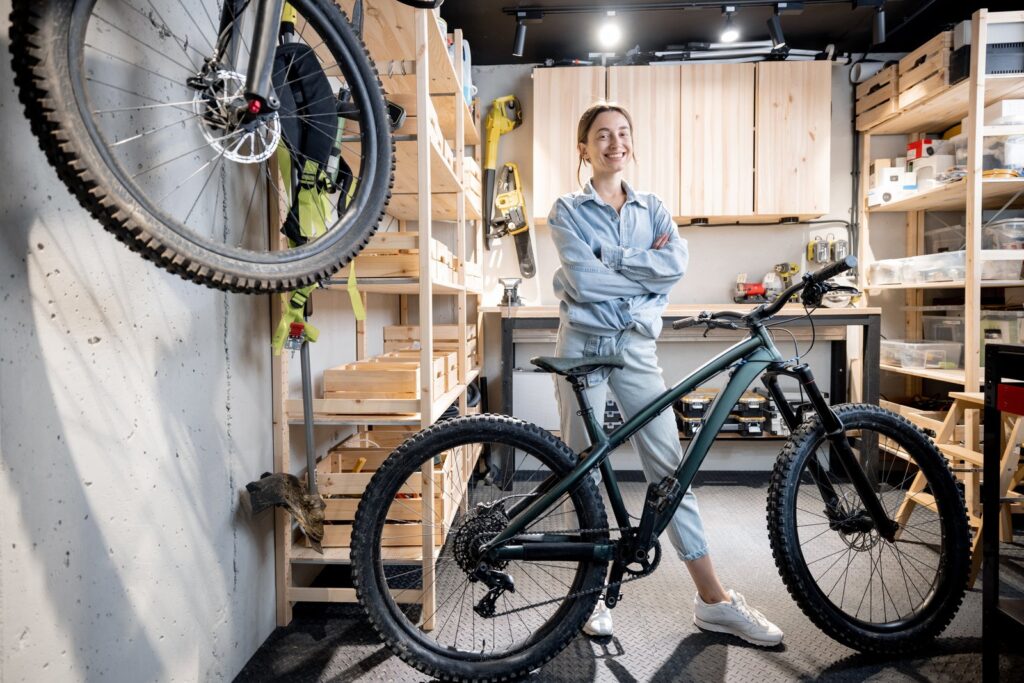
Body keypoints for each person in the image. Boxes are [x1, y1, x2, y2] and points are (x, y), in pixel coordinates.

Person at [547, 101, 783, 647]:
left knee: (668, 471)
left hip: (633, 346)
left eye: (623, 133)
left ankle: (714, 602)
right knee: (581, 469)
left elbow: (675, 266)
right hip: (582, 345)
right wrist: (636, 271)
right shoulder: (566, 209)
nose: (614, 143)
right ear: (583, 148)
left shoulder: (653, 208)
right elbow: (584, 284)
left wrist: (610, 258)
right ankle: (588, 598)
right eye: (601, 135)